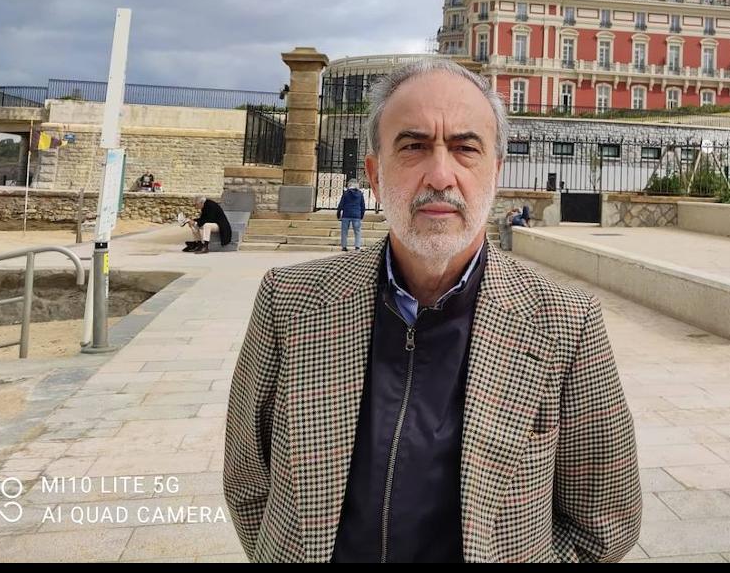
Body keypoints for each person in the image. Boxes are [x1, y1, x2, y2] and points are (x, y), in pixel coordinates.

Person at [224, 58, 641, 562]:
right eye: (414, 146)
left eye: (465, 149)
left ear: (495, 171)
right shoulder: (290, 302)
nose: (441, 174)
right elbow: (248, 485)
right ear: (375, 175)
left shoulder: (566, 322)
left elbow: (606, 523)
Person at [336, 177, 366, 251]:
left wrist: (338, 214)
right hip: (356, 215)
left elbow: (341, 205)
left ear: (349, 184)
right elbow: (363, 206)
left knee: (344, 231)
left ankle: (344, 246)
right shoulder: (360, 194)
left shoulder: (346, 193)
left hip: (346, 214)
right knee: (357, 232)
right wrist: (361, 215)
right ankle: (357, 246)